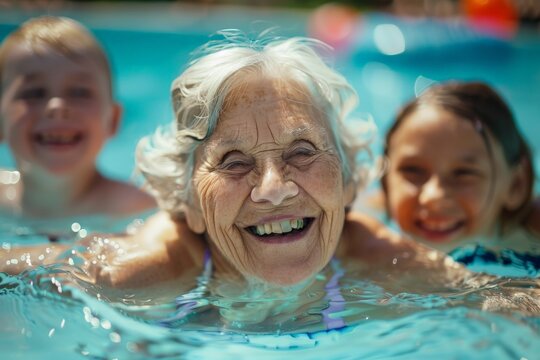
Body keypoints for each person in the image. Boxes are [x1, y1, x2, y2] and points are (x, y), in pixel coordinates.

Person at [1, 33, 539, 328]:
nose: (274, 187)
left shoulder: (374, 255)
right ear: (187, 203)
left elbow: (498, 298)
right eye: (233, 161)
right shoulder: (155, 268)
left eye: (302, 152)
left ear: (350, 183)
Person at [0, 16, 156, 223]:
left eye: (79, 92)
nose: (57, 106)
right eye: (35, 93)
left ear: (113, 120)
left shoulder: (136, 207)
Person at [379, 81, 540, 257]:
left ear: (516, 185)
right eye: (413, 170)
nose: (434, 196)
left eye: (464, 173)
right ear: (385, 178)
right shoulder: (363, 227)